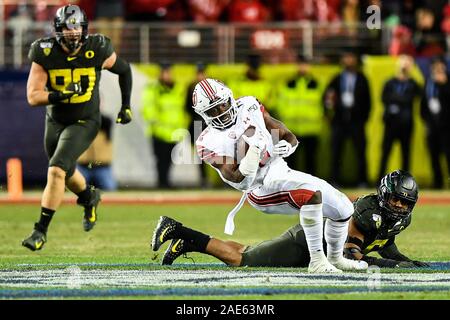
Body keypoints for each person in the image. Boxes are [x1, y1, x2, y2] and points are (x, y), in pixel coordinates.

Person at [173, 78, 368, 273]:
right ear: (202, 114)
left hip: (279, 169)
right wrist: (252, 153)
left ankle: (335, 258)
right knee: (310, 195)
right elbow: (237, 178)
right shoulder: (206, 141)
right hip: (258, 187)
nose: (221, 112)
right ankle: (317, 261)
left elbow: (282, 131)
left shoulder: (249, 105)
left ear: (230, 98)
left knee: (343, 208)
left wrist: (289, 145)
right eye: (212, 110)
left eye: (222, 104)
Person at [151, 170, 429, 269]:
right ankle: (178, 230)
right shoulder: (368, 212)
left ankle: (186, 245)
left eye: (405, 202)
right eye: (395, 199)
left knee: (248, 252)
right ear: (384, 194)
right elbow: (351, 254)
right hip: (307, 243)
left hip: (314, 248)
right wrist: (392, 265)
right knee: (243, 259)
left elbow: (383, 243)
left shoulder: (399, 220)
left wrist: (403, 260)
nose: (399, 206)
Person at [22, 4, 133, 251]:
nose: (73, 33)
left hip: (85, 120)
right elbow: (33, 96)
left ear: (84, 29)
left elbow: (124, 70)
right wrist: (60, 95)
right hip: (55, 120)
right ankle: (88, 197)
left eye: (77, 28)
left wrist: (125, 106)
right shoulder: (44, 51)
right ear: (57, 30)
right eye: (67, 28)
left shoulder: (98, 47)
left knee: (56, 169)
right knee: (65, 170)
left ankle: (40, 231)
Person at [323, 52, 371, 187]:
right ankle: (334, 180)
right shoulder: (337, 79)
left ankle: (363, 180)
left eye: (351, 57)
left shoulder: (362, 78)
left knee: (361, 152)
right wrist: (329, 116)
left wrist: (363, 119)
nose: (349, 60)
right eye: (346, 57)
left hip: (356, 121)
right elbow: (327, 98)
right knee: (336, 152)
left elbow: (368, 101)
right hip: (339, 121)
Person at [141, 62, 188, 188]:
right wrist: (155, 122)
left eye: (168, 72)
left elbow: (182, 108)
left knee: (169, 159)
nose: (166, 75)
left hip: (174, 131)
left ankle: (165, 182)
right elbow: (148, 107)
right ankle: (162, 182)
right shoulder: (154, 88)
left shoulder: (178, 88)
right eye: (164, 72)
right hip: (159, 131)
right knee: (160, 160)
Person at [274, 54, 323, 175]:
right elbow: (280, 103)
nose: (303, 67)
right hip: (292, 128)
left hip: (311, 128)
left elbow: (322, 104)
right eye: (301, 64)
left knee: (310, 161)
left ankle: (311, 188)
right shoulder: (288, 83)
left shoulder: (317, 84)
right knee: (291, 162)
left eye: (305, 64)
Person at [378, 55, 421, 182]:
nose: (405, 67)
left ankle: (405, 182)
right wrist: (402, 99)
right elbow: (384, 98)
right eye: (403, 63)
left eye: (408, 64)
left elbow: (414, 96)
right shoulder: (390, 82)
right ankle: (379, 179)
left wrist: (396, 99)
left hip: (406, 124)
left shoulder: (413, 84)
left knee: (406, 154)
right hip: (390, 123)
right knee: (385, 152)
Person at [420, 57, 450, 189]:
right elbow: (423, 103)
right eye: (435, 66)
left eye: (440, 66)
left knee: (448, 155)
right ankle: (437, 182)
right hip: (432, 125)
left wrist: (443, 85)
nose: (437, 69)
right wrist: (426, 120)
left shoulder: (447, 81)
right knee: (434, 155)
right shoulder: (428, 81)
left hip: (447, 126)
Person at [77, 114, 118, 191]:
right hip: (83, 166)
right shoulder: (79, 121)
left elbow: (100, 122)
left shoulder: (106, 121)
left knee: (110, 190)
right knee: (75, 189)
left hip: (102, 166)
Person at [185, 62, 210, 187]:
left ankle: (208, 179)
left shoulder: (193, 87)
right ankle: (203, 179)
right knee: (201, 155)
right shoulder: (191, 87)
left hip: (208, 125)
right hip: (197, 124)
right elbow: (187, 107)